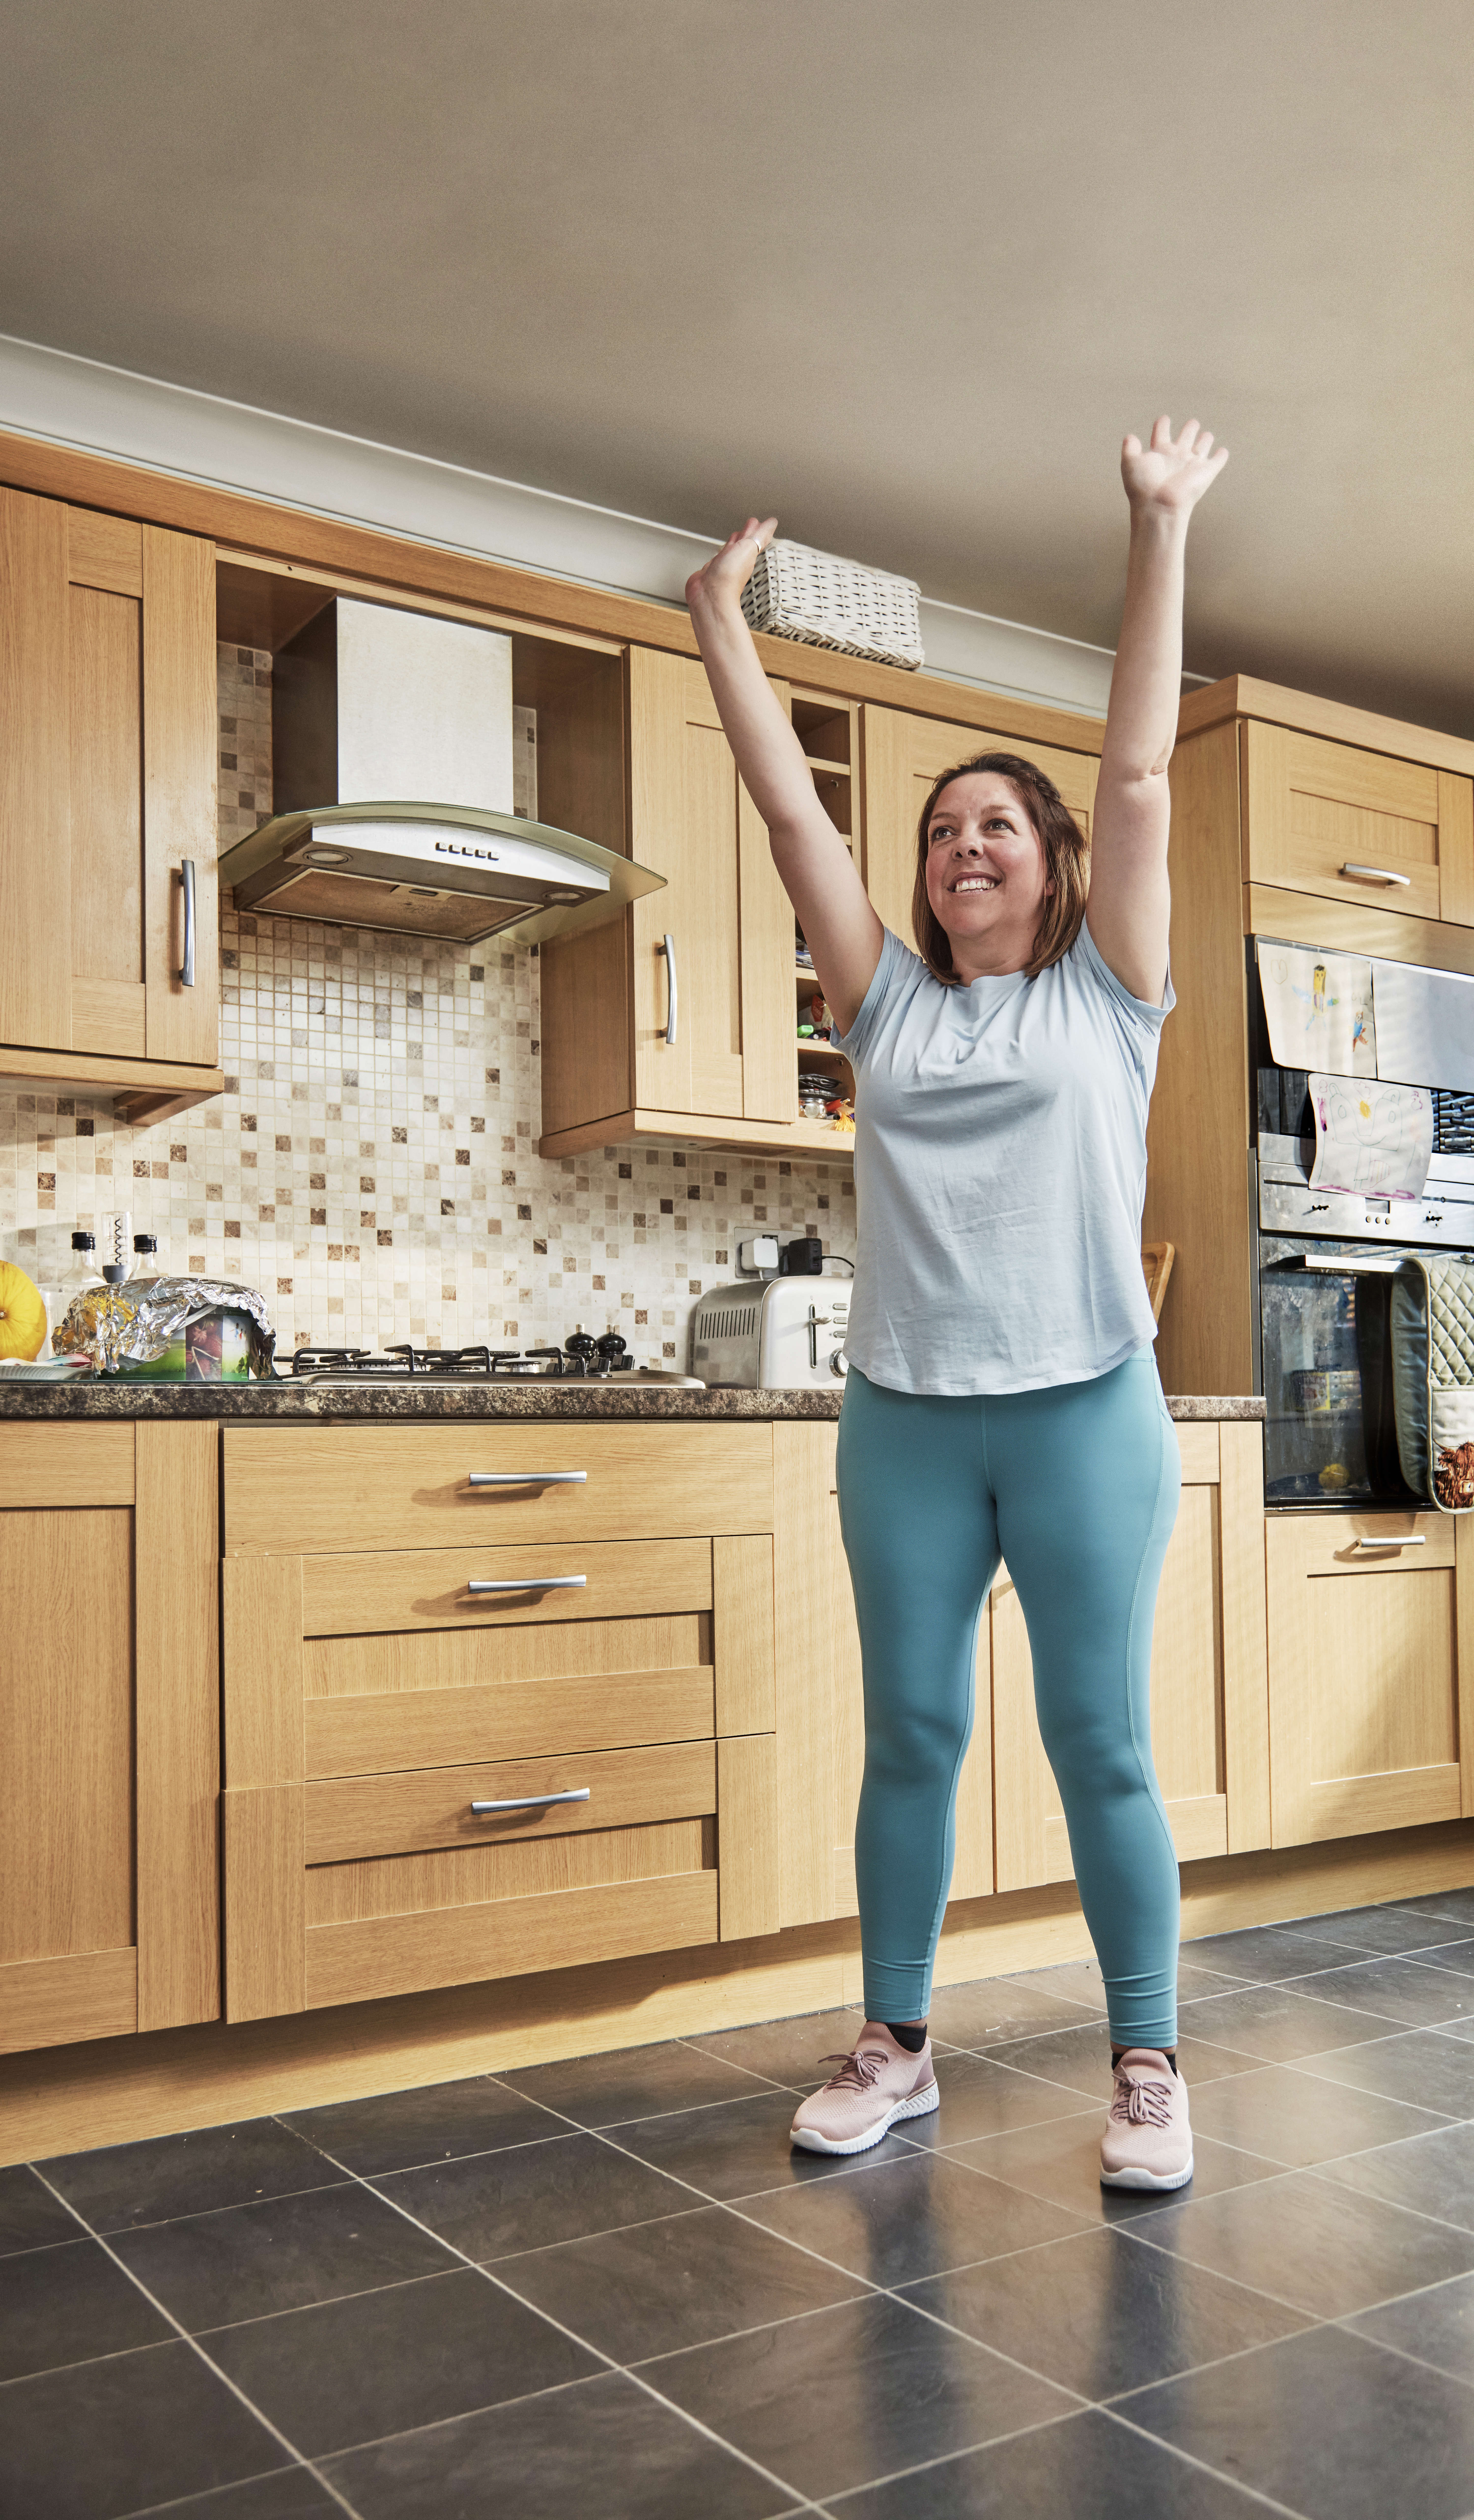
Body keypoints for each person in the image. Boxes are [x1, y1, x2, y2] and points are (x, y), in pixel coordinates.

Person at [685, 416, 1229, 2190]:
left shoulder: (1111, 998)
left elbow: (1142, 775)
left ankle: (1147, 2061)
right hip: (908, 1414)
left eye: (997, 824)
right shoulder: (889, 1012)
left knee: (1103, 1742)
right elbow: (785, 809)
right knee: (912, 1732)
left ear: (1055, 864)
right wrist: (720, 623)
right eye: (938, 831)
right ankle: (897, 2045)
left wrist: (1156, 527)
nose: (960, 846)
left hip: (1087, 1408)